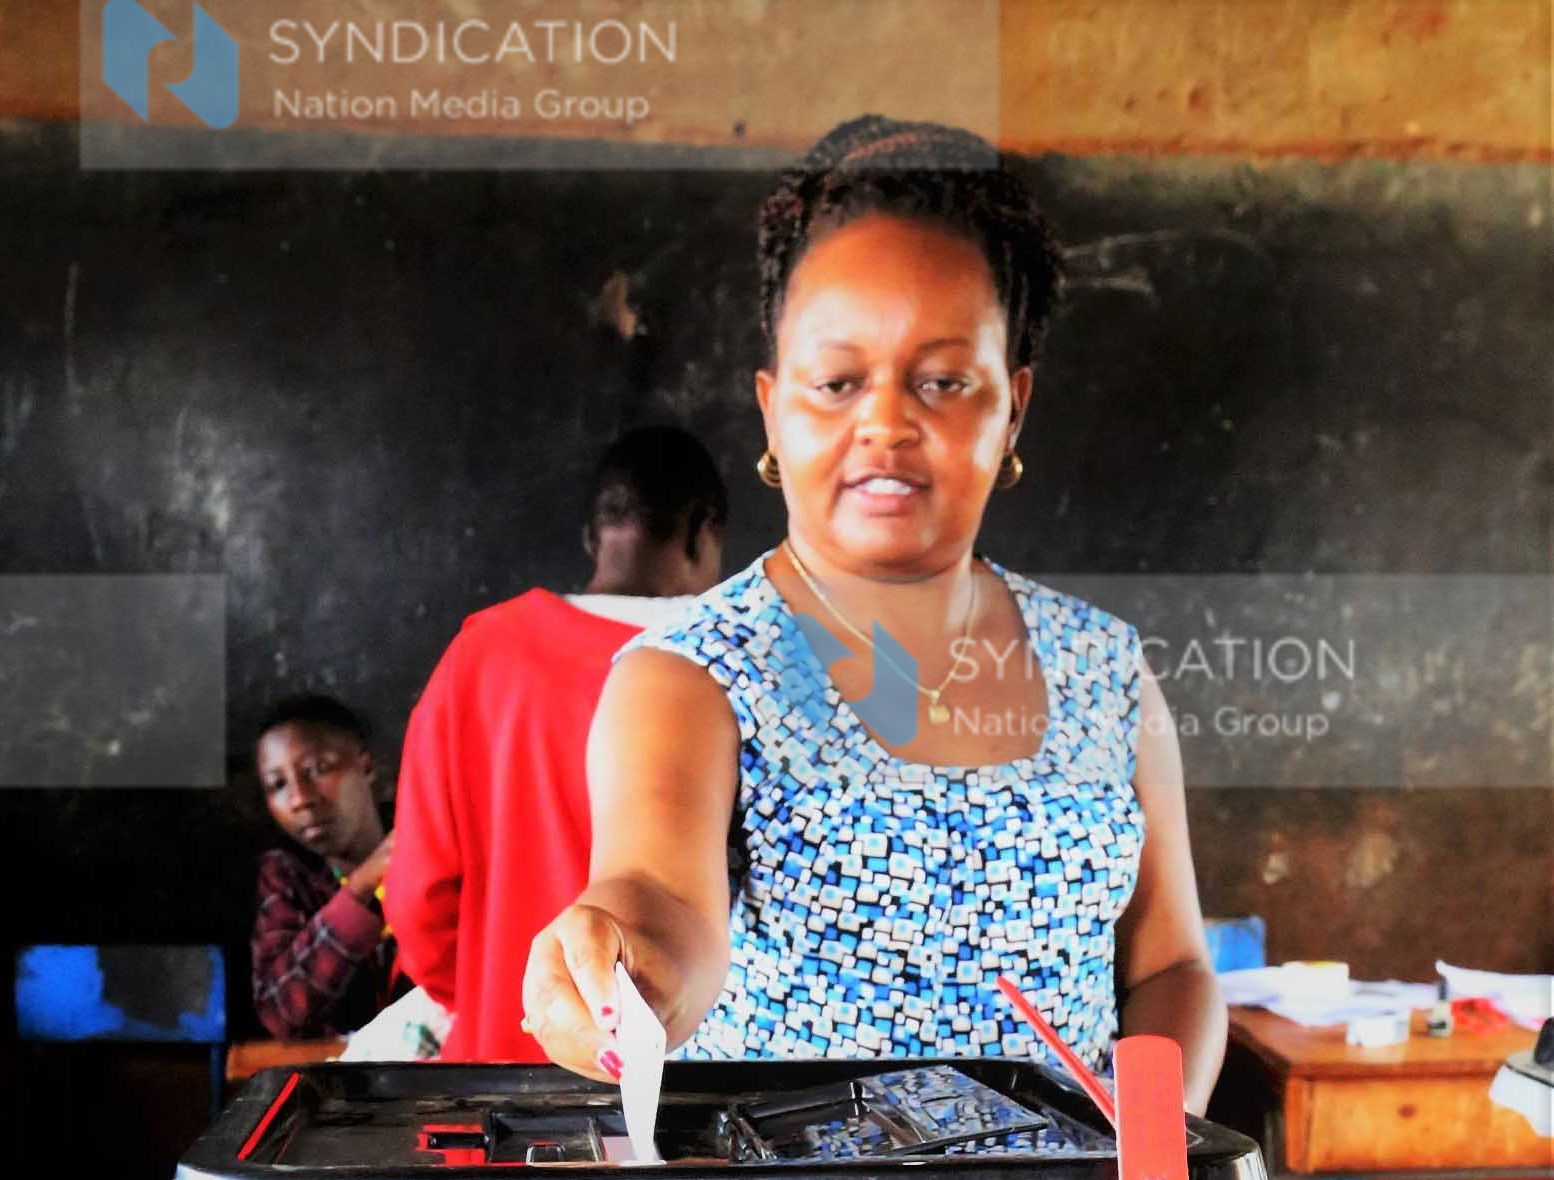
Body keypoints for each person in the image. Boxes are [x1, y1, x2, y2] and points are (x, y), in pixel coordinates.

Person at [521, 117, 1225, 1109]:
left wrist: (1149, 1132)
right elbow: (665, 902)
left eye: (942, 381)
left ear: (1011, 409)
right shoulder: (692, 673)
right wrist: (618, 963)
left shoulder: (1105, 668)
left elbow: (1171, 965)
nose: (886, 422)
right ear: (773, 408)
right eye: (838, 381)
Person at [384, 424, 728, 1062]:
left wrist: (492, 993)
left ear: (592, 536)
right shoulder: (731, 663)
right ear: (701, 530)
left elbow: (417, 896)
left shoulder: (481, 655)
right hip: (688, 1079)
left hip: (503, 1069)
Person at [250, 694, 395, 1038]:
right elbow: (282, 1012)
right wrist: (361, 886)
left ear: (366, 767)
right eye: (278, 785)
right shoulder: (287, 875)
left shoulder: (426, 841)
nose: (300, 798)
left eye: (319, 769)